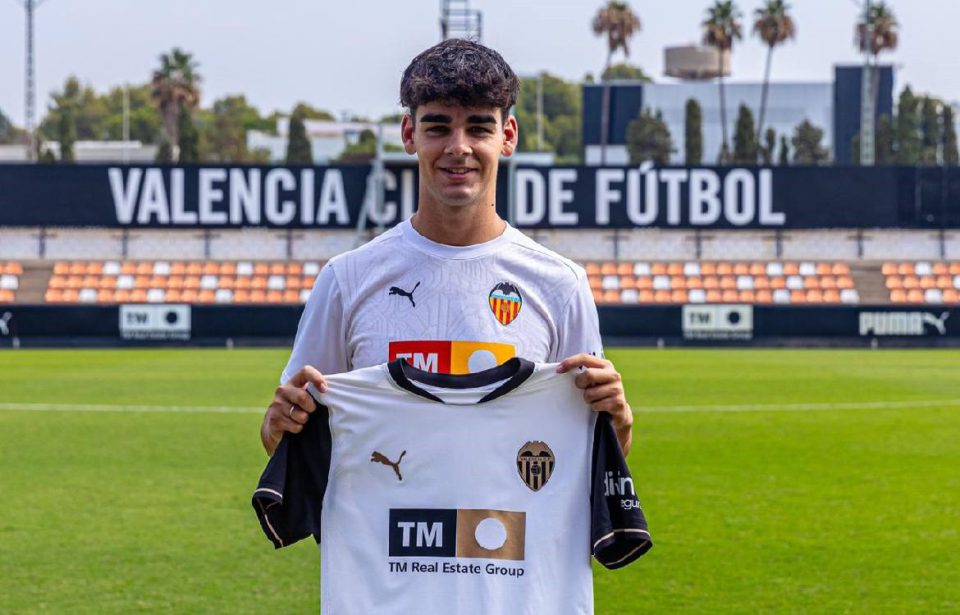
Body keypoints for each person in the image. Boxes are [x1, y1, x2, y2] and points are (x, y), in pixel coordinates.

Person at [260, 38, 634, 457]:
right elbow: (289, 442)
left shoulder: (559, 283)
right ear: (409, 134)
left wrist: (618, 423)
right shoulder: (347, 279)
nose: (459, 147)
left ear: (507, 137)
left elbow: (588, 453)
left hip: (504, 524)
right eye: (438, 127)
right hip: (379, 523)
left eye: (479, 127)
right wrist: (277, 424)